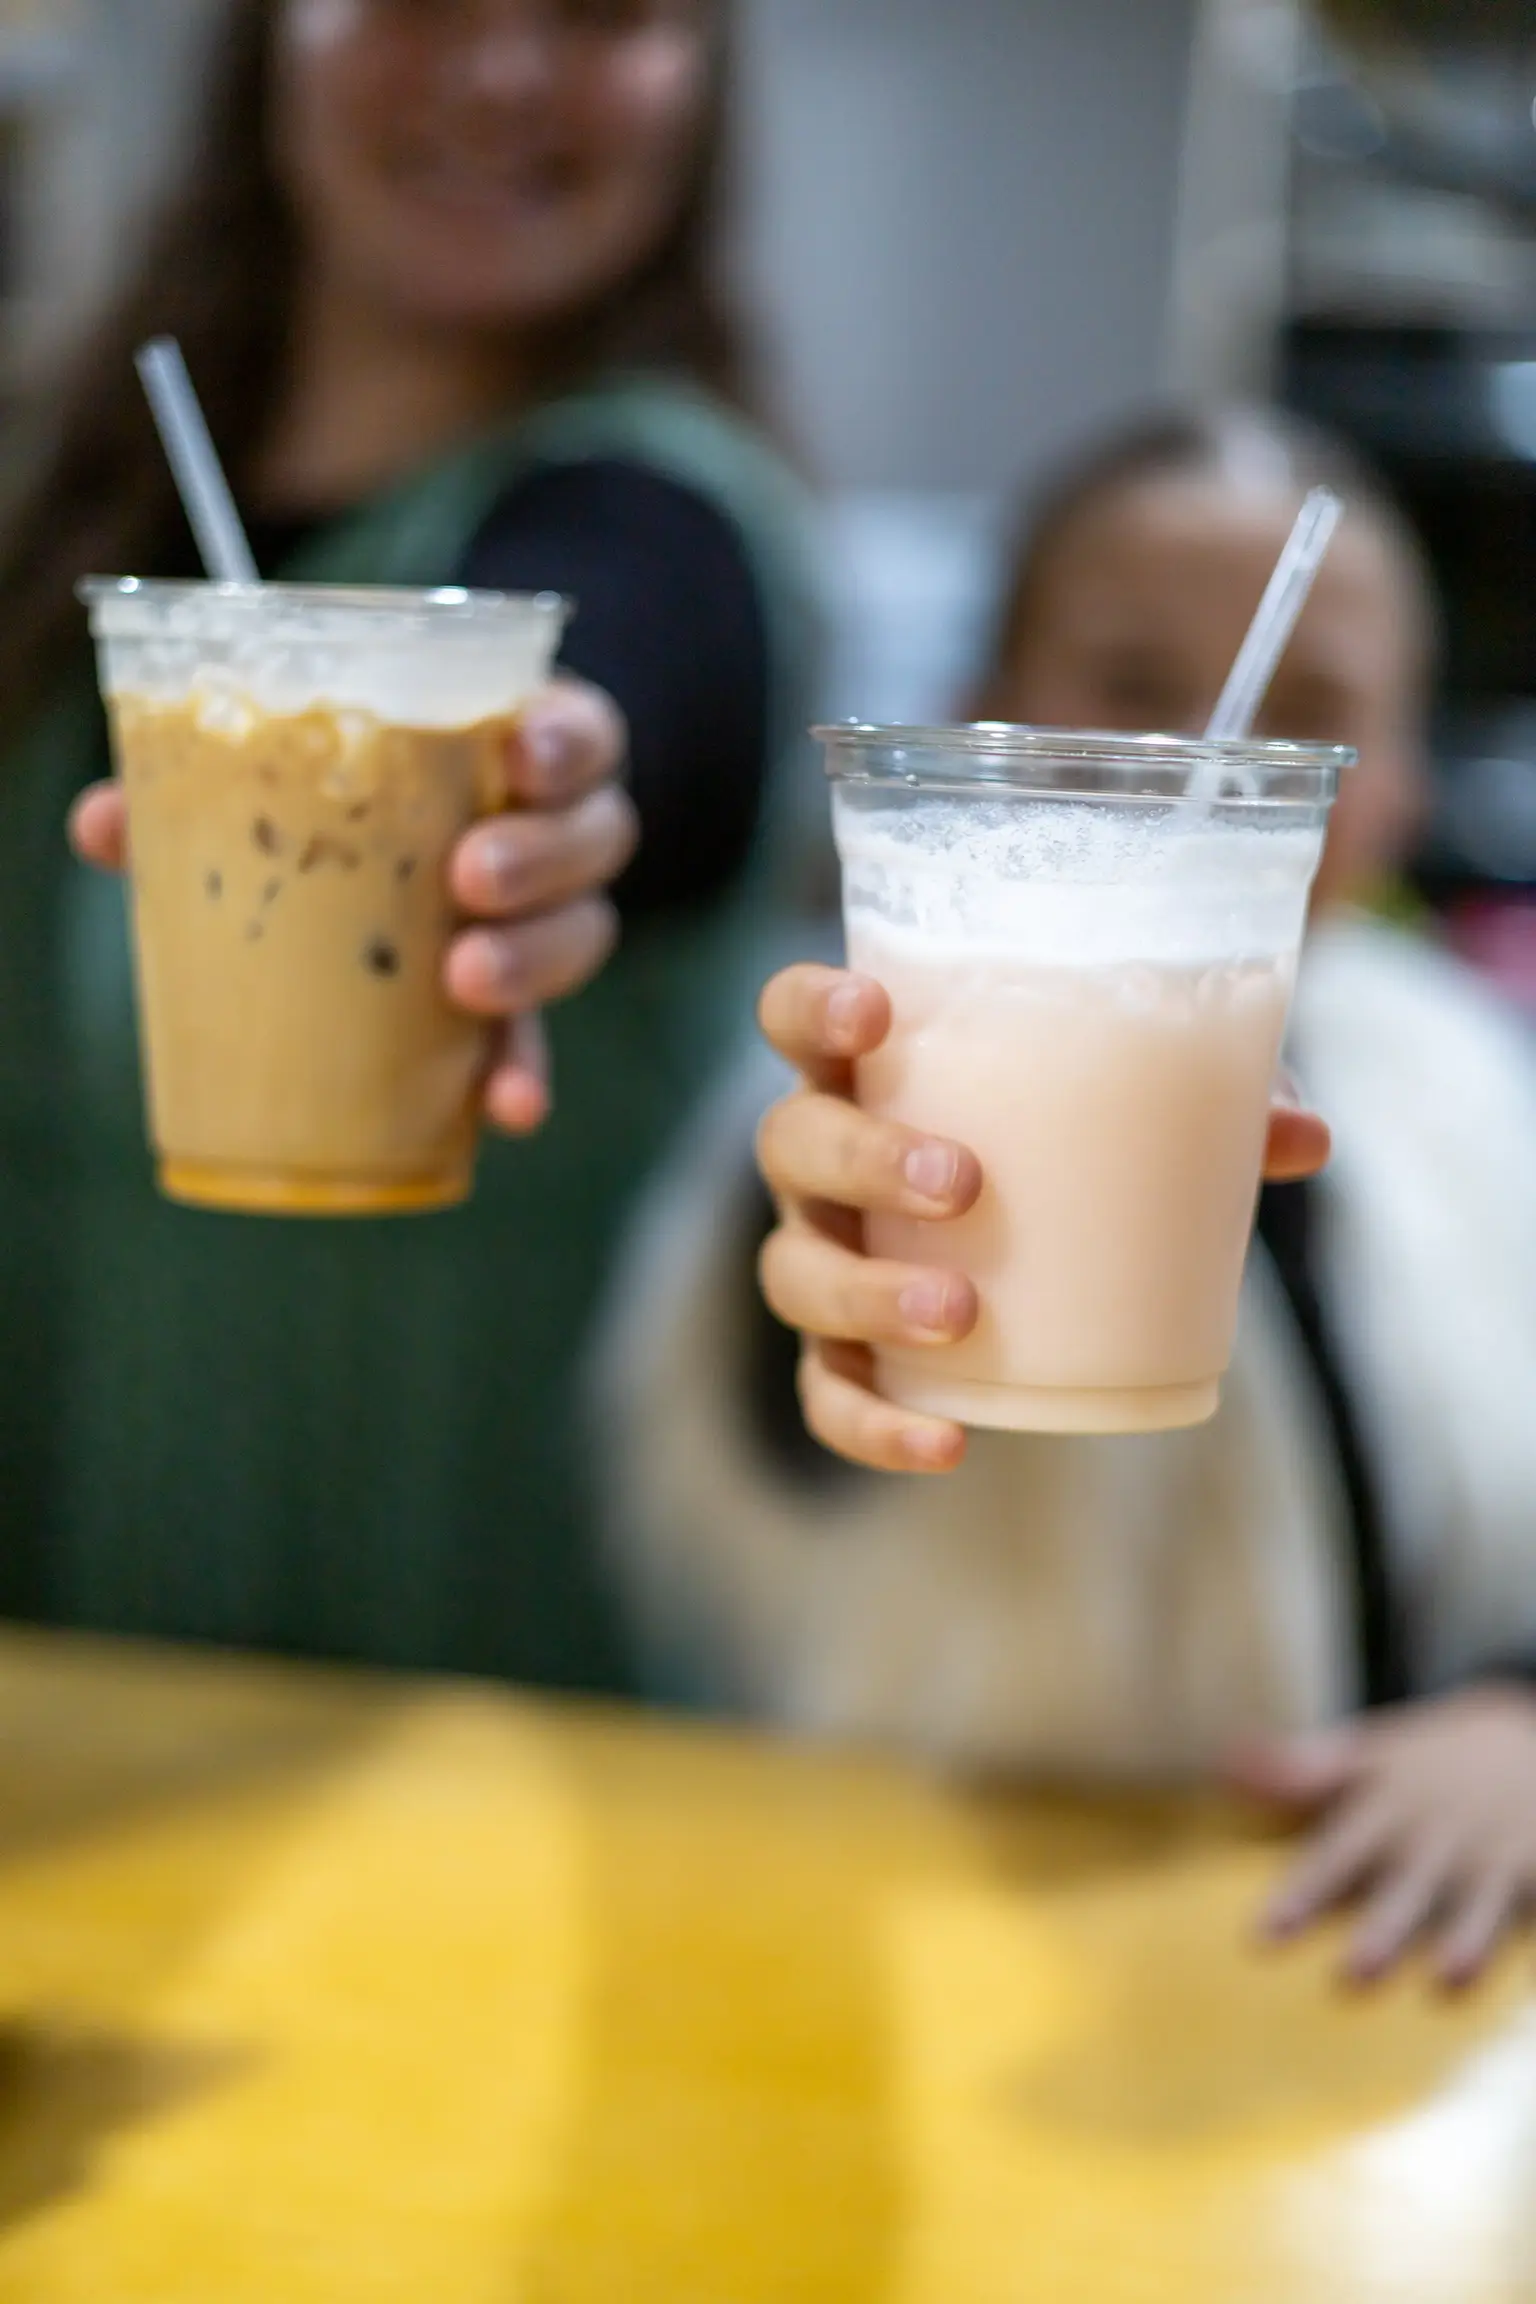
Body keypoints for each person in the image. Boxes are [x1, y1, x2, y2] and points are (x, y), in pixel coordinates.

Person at [597, 409, 1536, 1984]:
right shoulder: (882, 1060)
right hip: (934, 1944)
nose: (1200, 766)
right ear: (980, 715)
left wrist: (1518, 1717)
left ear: (1392, 800)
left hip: (1363, 1954)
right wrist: (839, 1287)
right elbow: (777, 1388)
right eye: (1129, 688)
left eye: (1311, 717)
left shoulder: (1470, 1088)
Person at [0, 0, 818, 1691]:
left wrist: (538, 789)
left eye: (597, 11)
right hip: (71, 1675)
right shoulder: (84, 490)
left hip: (488, 1696)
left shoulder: (665, 519)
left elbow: (621, 679)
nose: (503, 68)